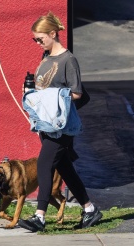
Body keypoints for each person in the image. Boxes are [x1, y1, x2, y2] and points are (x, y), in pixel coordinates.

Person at [18, 11, 103, 232]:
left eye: (40, 38)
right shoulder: (45, 57)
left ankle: (40, 216)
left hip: (61, 125)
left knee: (44, 164)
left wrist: (49, 97)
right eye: (35, 39)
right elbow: (44, 88)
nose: (37, 43)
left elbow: (77, 94)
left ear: (53, 33)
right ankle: (90, 209)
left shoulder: (68, 60)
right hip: (46, 123)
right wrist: (31, 92)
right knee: (65, 169)